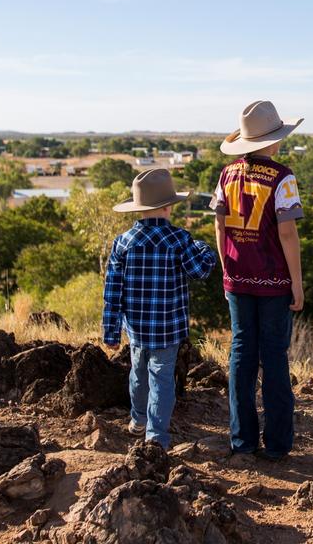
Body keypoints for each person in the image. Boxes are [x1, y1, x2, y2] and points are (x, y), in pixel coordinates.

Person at [213, 100, 306, 461]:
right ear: (274, 140)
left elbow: (219, 226)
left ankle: (242, 440)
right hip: (273, 282)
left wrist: (226, 269)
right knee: (275, 359)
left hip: (237, 278)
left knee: (241, 357)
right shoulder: (283, 177)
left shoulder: (227, 174)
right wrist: (296, 283)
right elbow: (288, 235)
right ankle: (279, 444)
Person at [102, 168, 216, 450]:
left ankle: (138, 419)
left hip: (137, 328)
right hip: (169, 327)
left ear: (139, 209)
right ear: (168, 206)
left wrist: (111, 332)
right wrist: (204, 248)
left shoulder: (123, 242)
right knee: (162, 379)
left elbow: (112, 291)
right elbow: (200, 270)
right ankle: (155, 436)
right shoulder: (179, 240)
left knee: (138, 374)